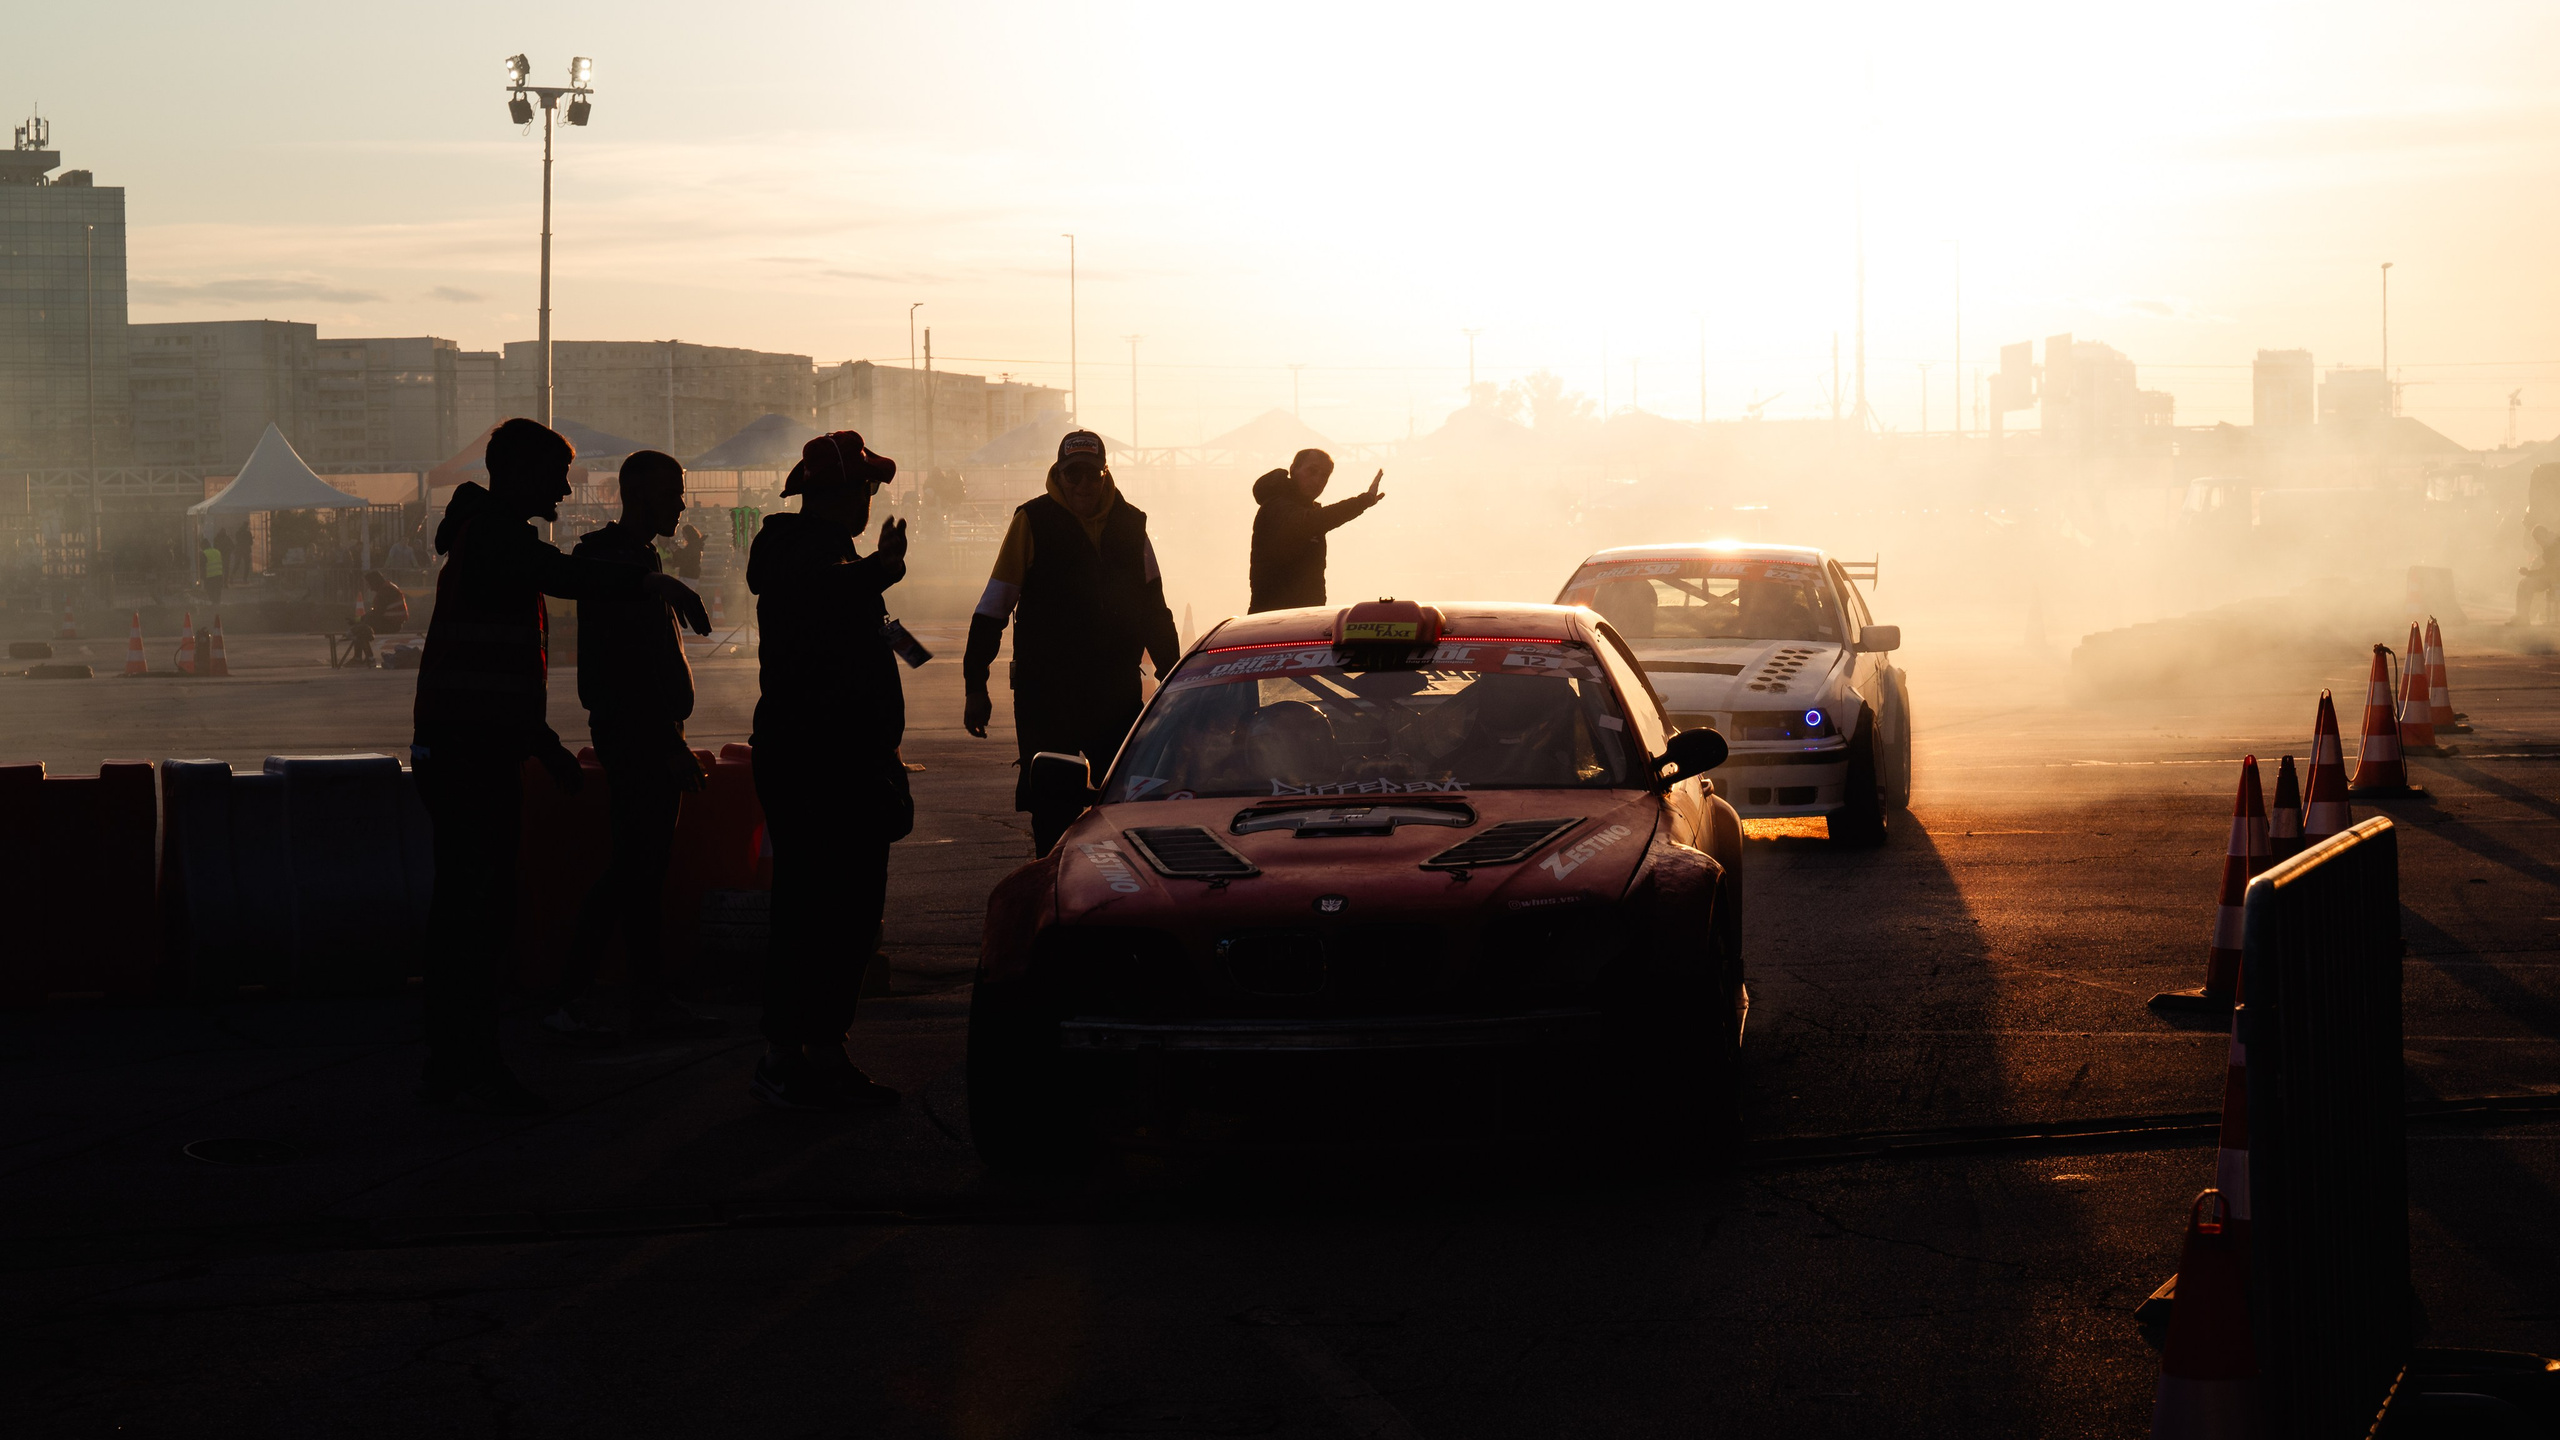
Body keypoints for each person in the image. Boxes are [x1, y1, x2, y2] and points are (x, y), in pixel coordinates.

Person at [412, 418, 710, 1114]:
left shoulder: (484, 537)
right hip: (468, 756)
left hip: (471, 747)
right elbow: (568, 579)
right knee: (476, 919)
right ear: (518, 474)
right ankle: (469, 1067)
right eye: (556, 474)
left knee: (470, 913)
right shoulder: (498, 539)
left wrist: (543, 746)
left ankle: (455, 1063)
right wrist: (651, 586)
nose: (566, 487)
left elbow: (504, 664)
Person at [745, 431, 910, 1110]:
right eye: (867, 490)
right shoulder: (792, 550)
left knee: (849, 910)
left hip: (852, 758)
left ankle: (823, 1046)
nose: (872, 503)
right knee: (814, 908)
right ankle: (788, 1053)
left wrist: (925, 657)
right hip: (816, 761)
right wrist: (880, 570)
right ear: (844, 495)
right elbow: (818, 591)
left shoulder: (838, 558)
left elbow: (869, 626)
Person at [548, 451, 724, 1044]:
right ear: (642, 492)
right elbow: (627, 672)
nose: (681, 502)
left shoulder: (640, 558)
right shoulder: (607, 559)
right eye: (674, 491)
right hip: (636, 740)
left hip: (649, 736)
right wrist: (663, 744)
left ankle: (638, 996)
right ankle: (591, 994)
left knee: (641, 873)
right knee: (634, 871)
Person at [963, 430, 1183, 856]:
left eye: (1093, 473)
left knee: (1126, 797)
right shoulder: (1032, 520)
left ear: (1106, 474)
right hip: (1047, 693)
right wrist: (975, 685)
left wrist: (1172, 679)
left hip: (1114, 690)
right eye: (1074, 473)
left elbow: (1155, 609)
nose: (1084, 484)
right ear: (1059, 474)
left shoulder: (1132, 524)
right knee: (1051, 808)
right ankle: (1052, 889)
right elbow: (993, 608)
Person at [1247, 448, 1383, 613]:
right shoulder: (1277, 506)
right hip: (1273, 622)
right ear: (1294, 469)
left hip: (1304, 618)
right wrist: (1363, 501)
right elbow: (1312, 521)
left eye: (1324, 476)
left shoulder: (1306, 511)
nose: (1318, 480)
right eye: (1312, 471)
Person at [2519, 525, 2560, 625]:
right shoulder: (2550, 545)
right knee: (2525, 583)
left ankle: (2522, 617)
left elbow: (2549, 569)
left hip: (2555, 580)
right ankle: (2521, 617)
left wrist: (2530, 573)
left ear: (2544, 535)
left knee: (2525, 584)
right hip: (2553, 578)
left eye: (2538, 538)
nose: (2537, 542)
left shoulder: (2553, 545)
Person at [201, 536, 226, 607]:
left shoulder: (204, 553)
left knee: (211, 593)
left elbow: (202, 567)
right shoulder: (217, 552)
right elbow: (222, 563)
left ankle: (213, 608)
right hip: (219, 576)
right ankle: (218, 608)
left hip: (210, 577)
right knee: (218, 593)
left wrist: (202, 577)